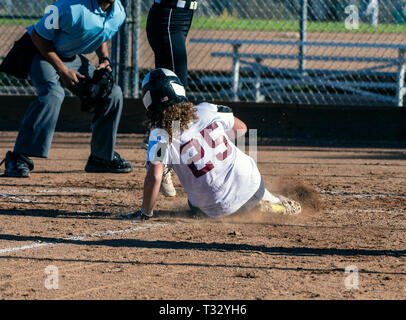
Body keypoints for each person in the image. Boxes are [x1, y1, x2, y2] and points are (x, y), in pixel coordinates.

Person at [124, 68, 302, 220]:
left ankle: (265, 204)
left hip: (213, 210)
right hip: (250, 183)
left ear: (148, 102)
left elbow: (155, 177)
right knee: (249, 182)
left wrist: (145, 213)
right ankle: (273, 203)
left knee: (198, 203)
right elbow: (242, 129)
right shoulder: (205, 109)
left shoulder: (160, 135)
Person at [0, 0, 133, 178]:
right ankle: (18, 158)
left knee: (112, 93)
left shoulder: (118, 13)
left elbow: (102, 34)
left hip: (71, 57)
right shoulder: (70, 7)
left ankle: (101, 158)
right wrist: (62, 71)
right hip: (42, 52)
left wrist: (104, 60)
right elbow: (39, 37)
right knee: (52, 93)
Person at [141, 0, 198, 197]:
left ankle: (158, 159)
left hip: (179, 18)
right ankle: (160, 163)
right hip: (169, 18)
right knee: (173, 99)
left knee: (173, 99)